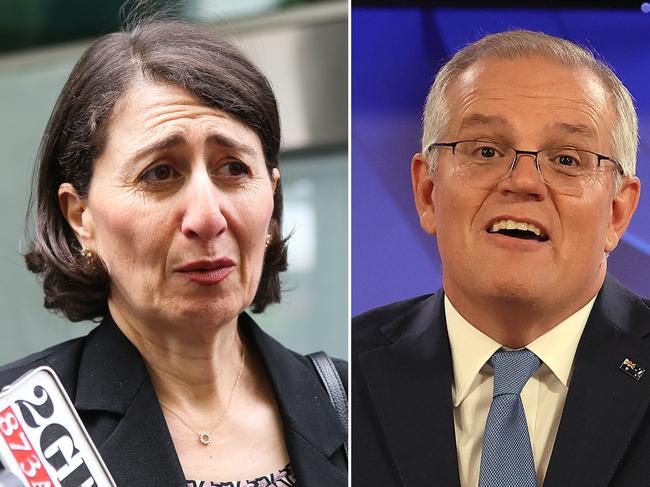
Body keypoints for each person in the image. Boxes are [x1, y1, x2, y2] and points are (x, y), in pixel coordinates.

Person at [0, 20, 347, 486]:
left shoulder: (359, 406)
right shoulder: (17, 431)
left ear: (272, 197)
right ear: (80, 216)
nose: (207, 217)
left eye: (234, 168)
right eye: (160, 173)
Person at [352, 30, 648, 487]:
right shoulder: (343, 376)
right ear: (428, 192)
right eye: (486, 151)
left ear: (617, 212)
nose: (524, 181)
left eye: (567, 160)